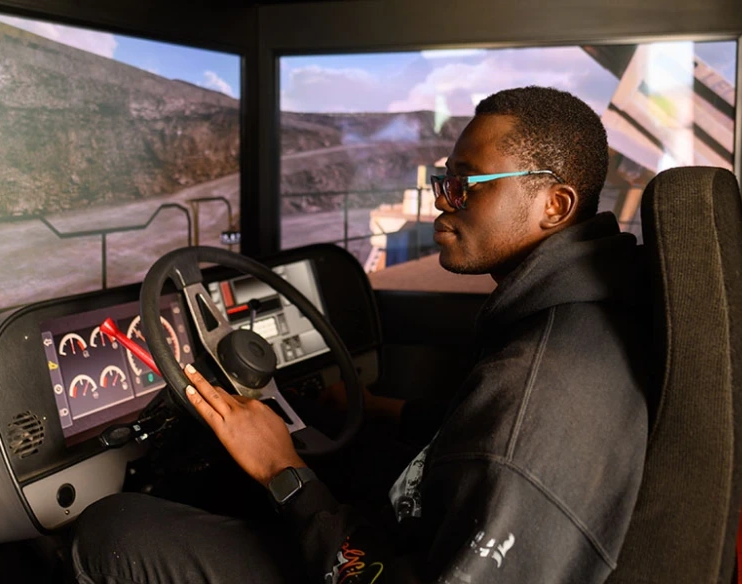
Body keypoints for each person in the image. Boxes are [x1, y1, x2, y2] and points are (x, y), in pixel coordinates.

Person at [69, 86, 650, 584]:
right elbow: (471, 438)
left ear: (555, 204)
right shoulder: (573, 316)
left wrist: (283, 473)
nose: (441, 203)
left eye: (468, 184)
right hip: (413, 527)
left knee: (110, 531)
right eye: (444, 180)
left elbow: (497, 453)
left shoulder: (532, 401)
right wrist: (383, 409)